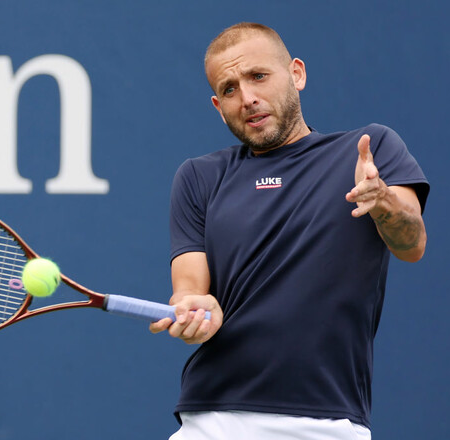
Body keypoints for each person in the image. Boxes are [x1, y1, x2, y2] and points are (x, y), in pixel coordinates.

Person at [149, 22, 429, 440]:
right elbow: (189, 288)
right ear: (217, 105)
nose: (247, 98)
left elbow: (412, 245)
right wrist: (195, 310)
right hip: (212, 419)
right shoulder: (199, 177)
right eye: (229, 90)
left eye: (258, 76)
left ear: (296, 74)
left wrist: (384, 202)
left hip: (326, 422)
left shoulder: (370, 149)